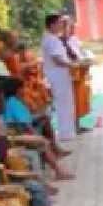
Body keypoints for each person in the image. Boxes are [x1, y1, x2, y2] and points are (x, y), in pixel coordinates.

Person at [41, 14, 77, 142]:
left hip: (61, 74)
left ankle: (67, 131)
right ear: (52, 25)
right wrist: (73, 65)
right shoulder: (51, 39)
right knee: (63, 104)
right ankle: (65, 133)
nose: (62, 26)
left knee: (66, 103)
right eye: (59, 23)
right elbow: (57, 59)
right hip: (58, 74)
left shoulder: (53, 38)